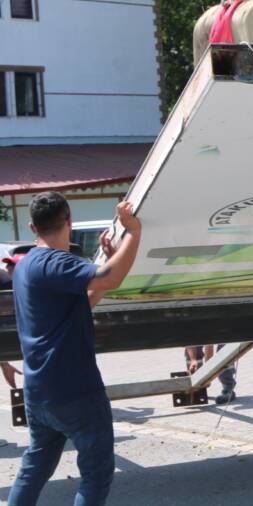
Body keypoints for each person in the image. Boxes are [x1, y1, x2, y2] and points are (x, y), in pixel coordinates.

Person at [9, 193, 142, 506]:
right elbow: (112, 277)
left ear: (32, 227)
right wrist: (133, 232)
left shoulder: (26, 266)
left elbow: (89, 295)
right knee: (96, 473)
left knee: (35, 467)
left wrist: (110, 256)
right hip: (76, 390)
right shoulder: (58, 262)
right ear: (70, 220)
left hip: (39, 392)